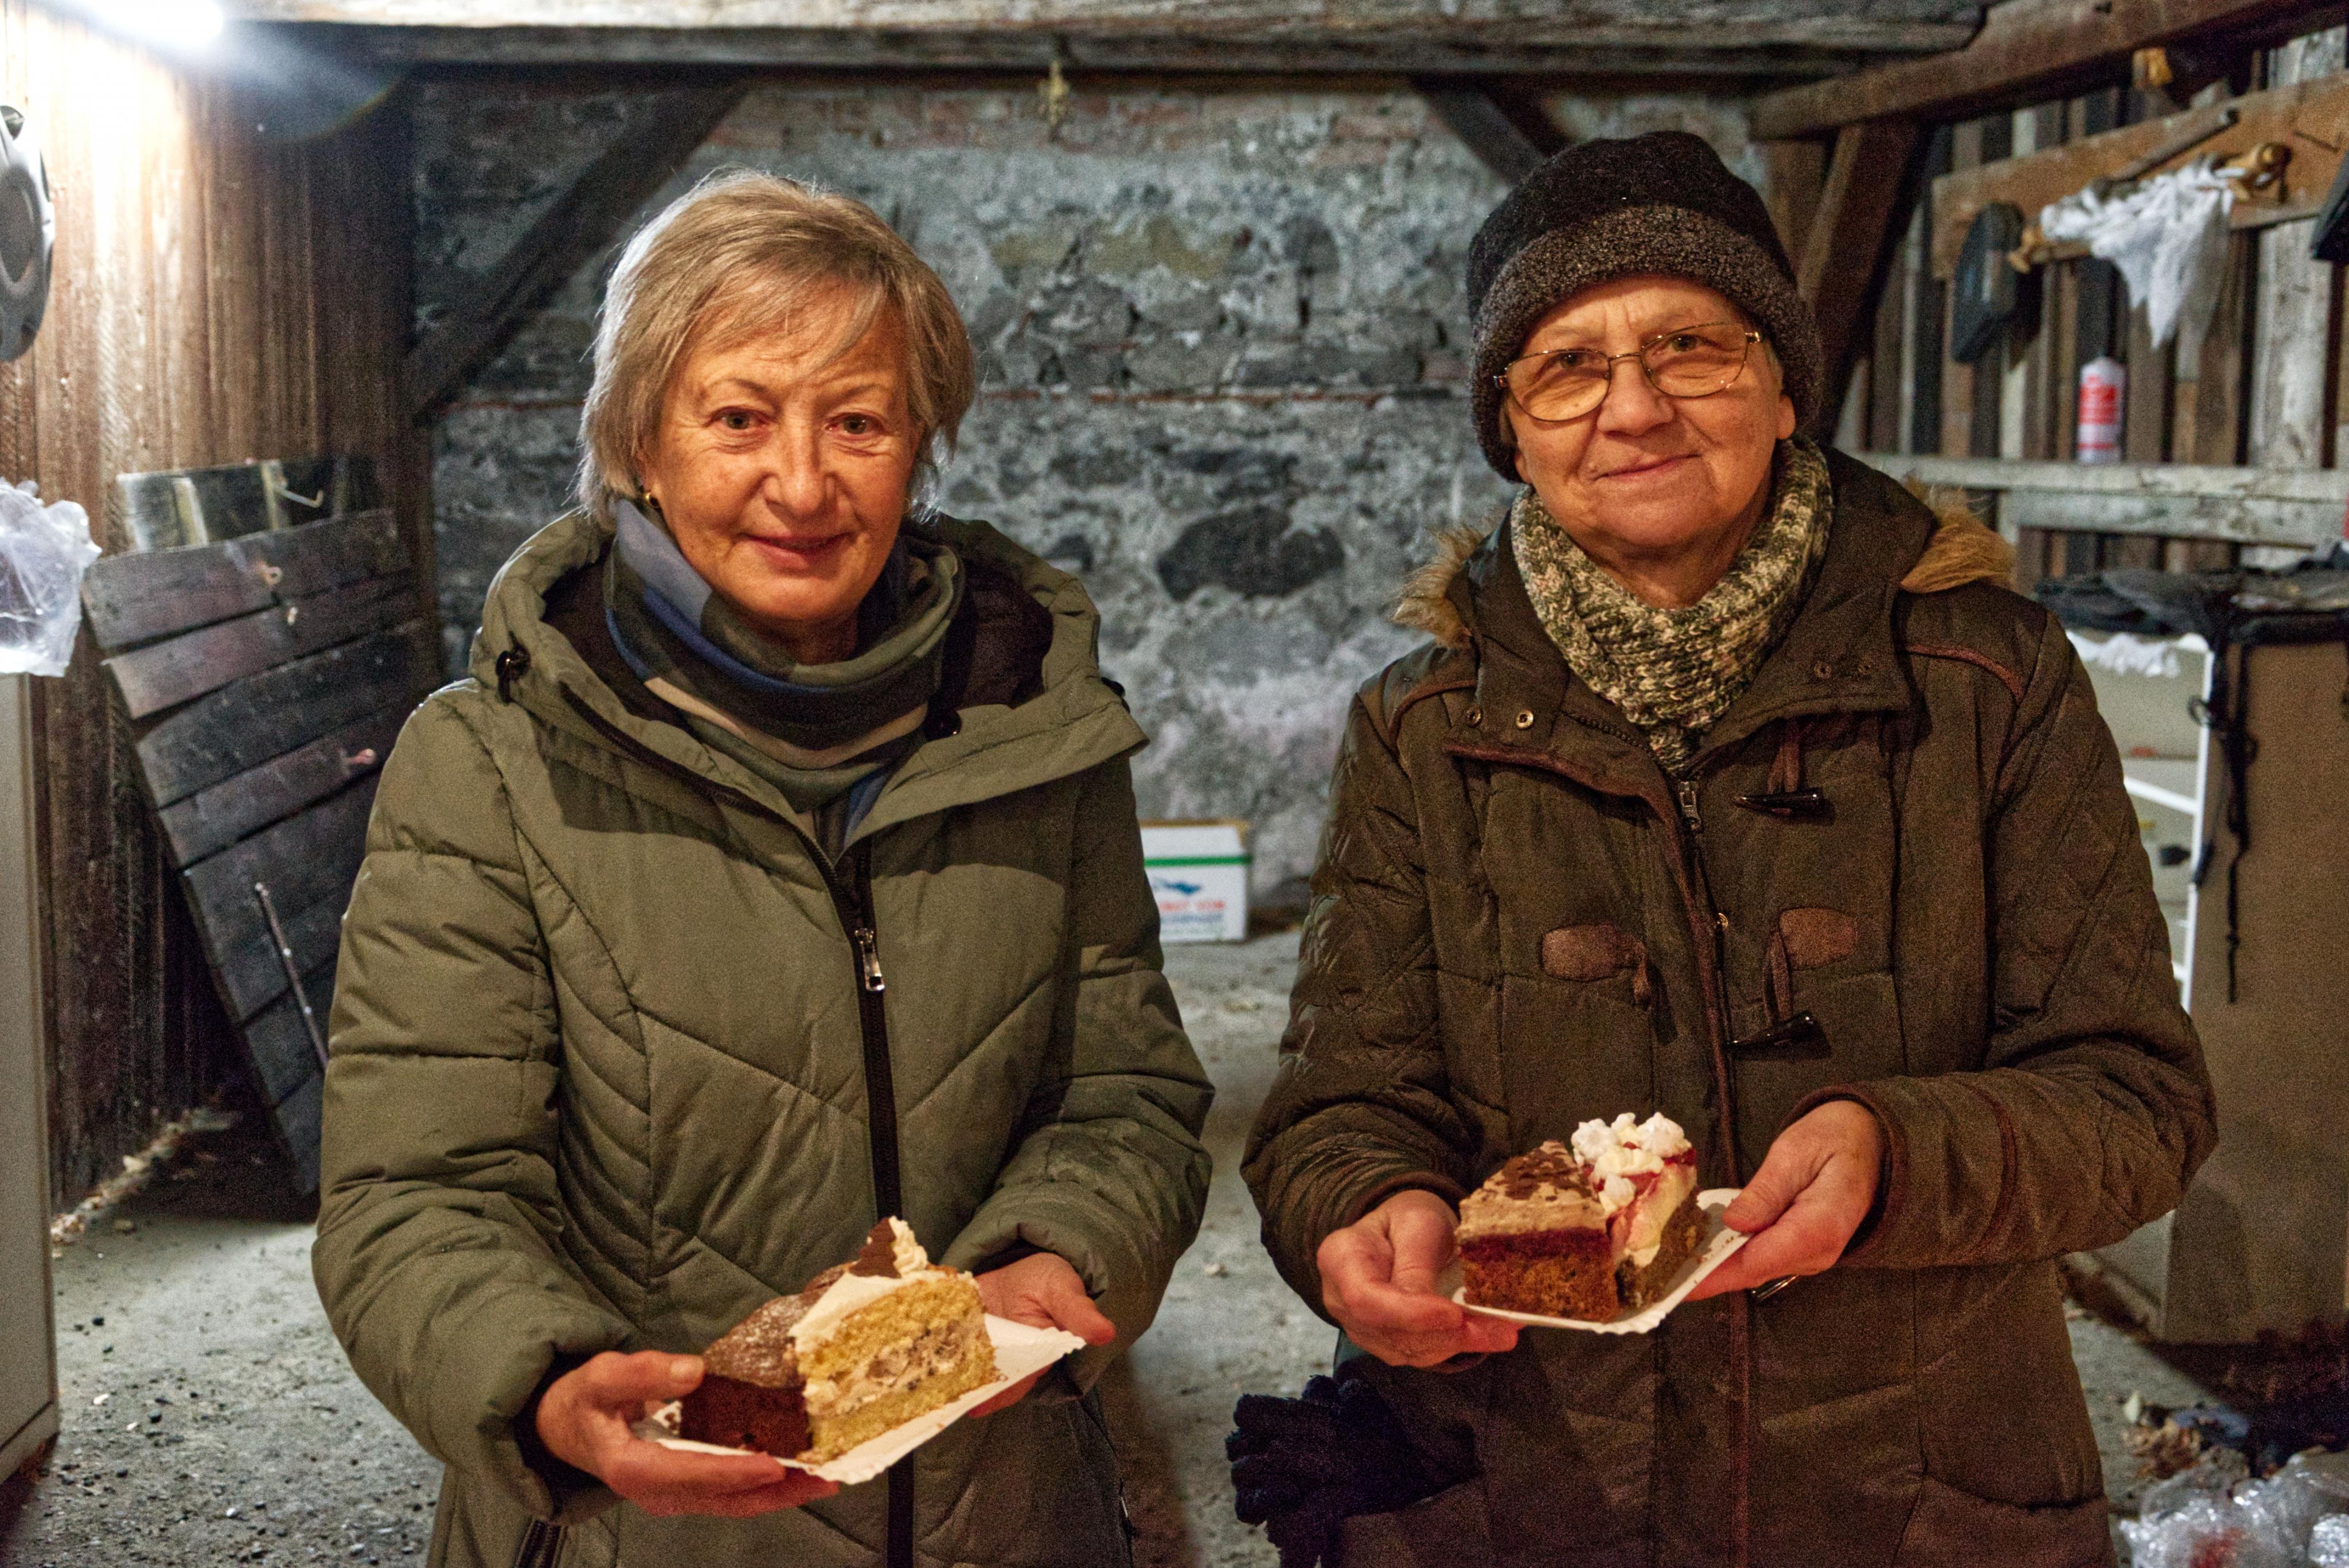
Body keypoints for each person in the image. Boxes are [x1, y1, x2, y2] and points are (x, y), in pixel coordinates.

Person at [1243, 132, 2215, 1567]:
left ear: (1780, 384)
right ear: (1510, 427)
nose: (1633, 408)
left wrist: (1896, 1152)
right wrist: (1361, 1210)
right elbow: (1339, 1100)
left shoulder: (1984, 680)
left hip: (1914, 1496)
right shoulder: (1423, 725)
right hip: (1533, 1486)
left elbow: (2136, 1101)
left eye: (1687, 347)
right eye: (1567, 367)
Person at [314, 170, 1213, 1568]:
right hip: (644, 1534)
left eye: (858, 421)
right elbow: (416, 1190)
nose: (800, 483)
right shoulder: (490, 767)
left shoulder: (1036, 736)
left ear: (918, 447)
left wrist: (1062, 1244)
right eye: (737, 416)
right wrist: (542, 1380)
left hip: (999, 1511)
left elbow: (1126, 1094)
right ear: (637, 440)